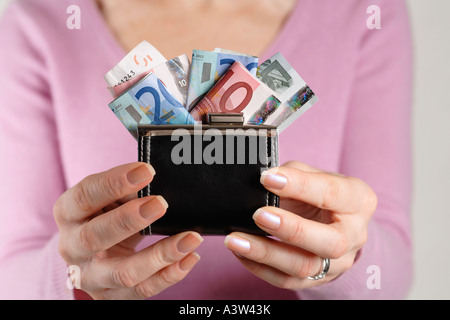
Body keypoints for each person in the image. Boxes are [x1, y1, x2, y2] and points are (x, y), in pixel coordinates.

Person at [0, 0, 412, 300]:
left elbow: (390, 272)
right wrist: (73, 274)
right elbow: (11, 274)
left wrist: (346, 257)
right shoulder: (37, 20)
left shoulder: (364, 12)